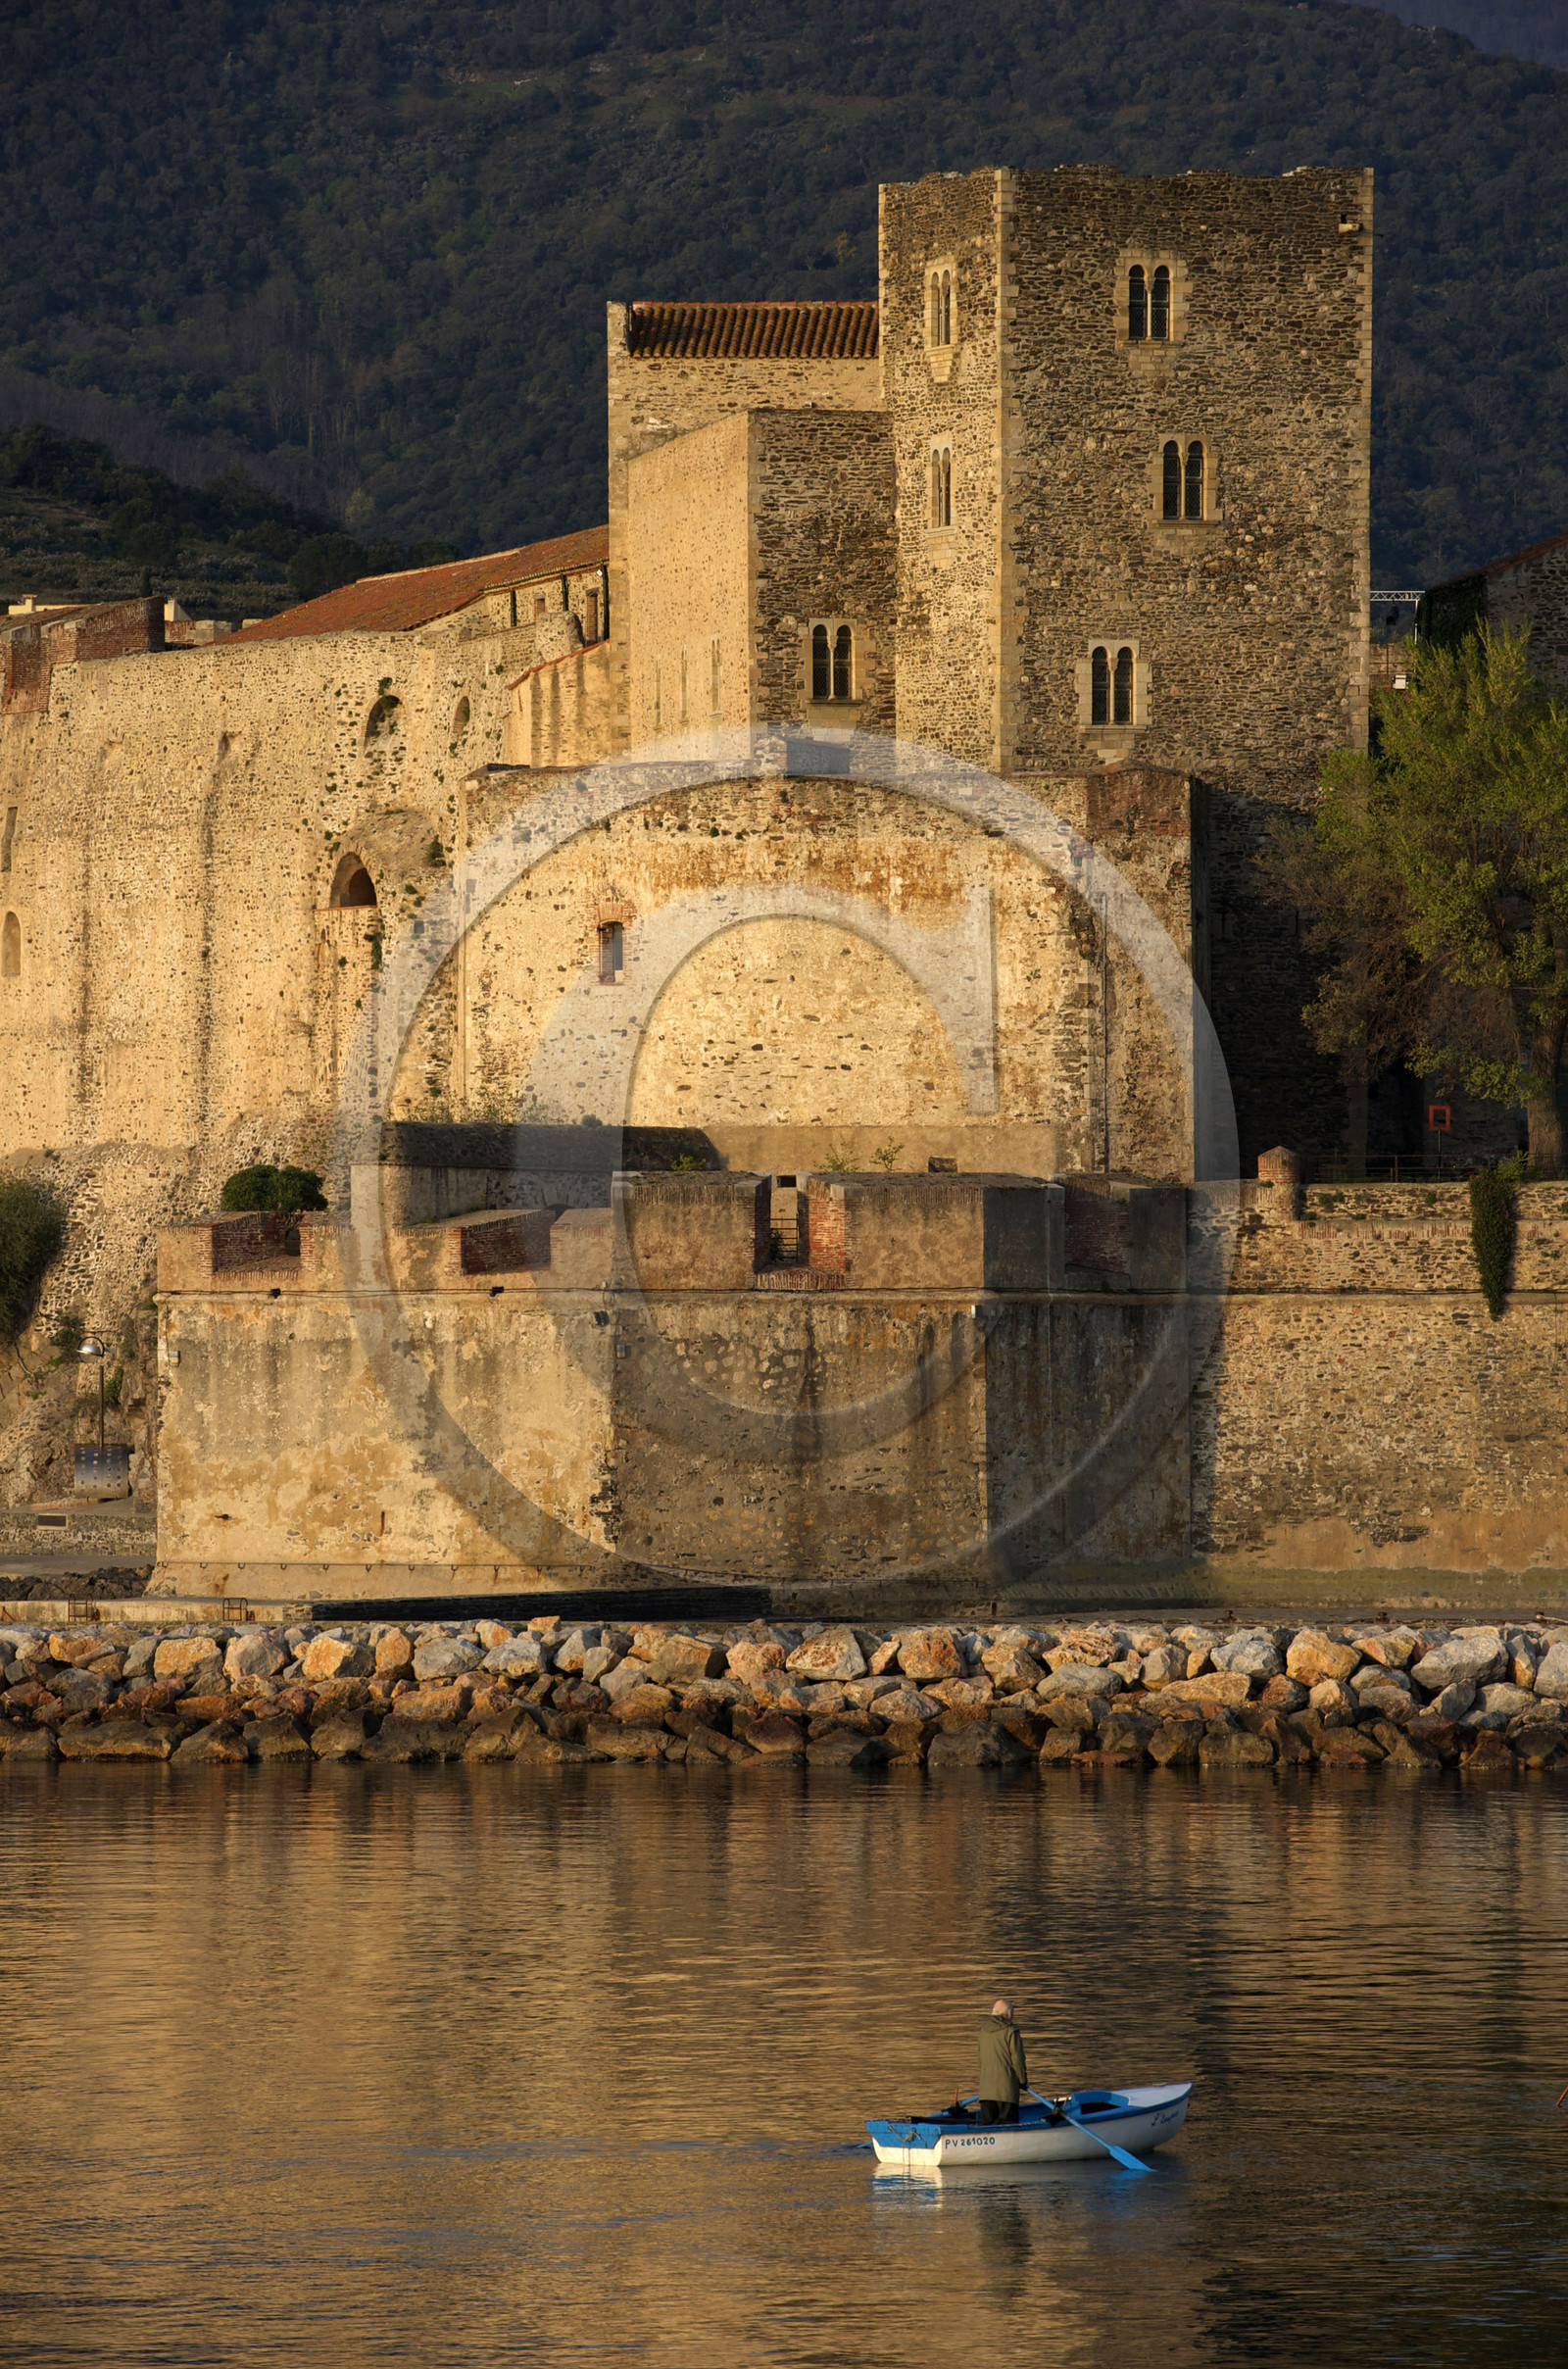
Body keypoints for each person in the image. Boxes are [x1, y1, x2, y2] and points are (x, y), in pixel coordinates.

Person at [977, 1997, 1028, 2123]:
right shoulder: (1011, 2031)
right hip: (1007, 2092)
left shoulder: (983, 2031)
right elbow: (1017, 2059)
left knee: (988, 2126)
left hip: (985, 2092)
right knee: (1007, 2124)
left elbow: (981, 2059)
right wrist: (1022, 2080)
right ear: (1009, 2013)